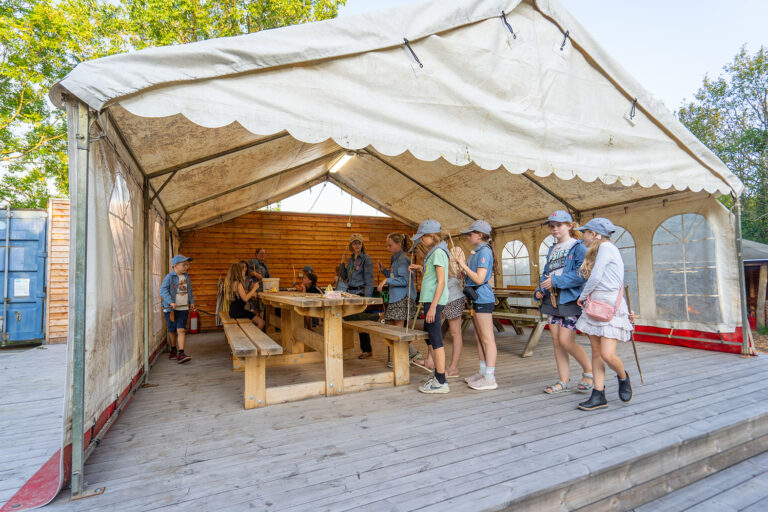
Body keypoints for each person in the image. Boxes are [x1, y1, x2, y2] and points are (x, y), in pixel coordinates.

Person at [573, 218, 634, 411]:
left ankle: (623, 376)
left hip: (607, 304)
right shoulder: (602, 250)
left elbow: (596, 276)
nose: (583, 235)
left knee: (607, 354)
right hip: (596, 303)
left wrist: (582, 297)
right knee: (597, 353)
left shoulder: (607, 248)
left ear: (595, 234)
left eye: (586, 232)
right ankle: (598, 394)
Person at [535, 210, 594, 395]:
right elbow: (547, 273)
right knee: (556, 341)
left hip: (569, 300)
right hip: (551, 299)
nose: (555, 229)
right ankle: (563, 380)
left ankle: (590, 372)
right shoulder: (552, 250)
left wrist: (556, 281)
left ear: (569, 225)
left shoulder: (578, 247)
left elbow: (581, 275)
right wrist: (540, 289)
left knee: (566, 341)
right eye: (552, 226)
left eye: (559, 225)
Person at [408, 220, 451, 394]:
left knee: (436, 340)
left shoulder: (439, 252)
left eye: (422, 238)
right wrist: (420, 267)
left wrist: (433, 306)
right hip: (430, 300)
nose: (420, 242)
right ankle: (437, 375)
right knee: (430, 335)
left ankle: (441, 380)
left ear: (431, 236)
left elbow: (441, 281)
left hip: (435, 302)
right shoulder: (435, 252)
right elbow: (433, 274)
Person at [458, 220, 499, 390]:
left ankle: (490, 377)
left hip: (482, 298)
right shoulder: (477, 252)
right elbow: (473, 275)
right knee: (479, 337)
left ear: (480, 235)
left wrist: (463, 266)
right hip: (476, 298)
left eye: (471, 233)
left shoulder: (484, 252)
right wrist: (464, 272)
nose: (468, 236)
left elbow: (480, 279)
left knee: (487, 338)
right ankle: (483, 371)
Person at [376, 233, 421, 363]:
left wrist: (386, 280)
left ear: (399, 245)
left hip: (402, 298)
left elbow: (404, 281)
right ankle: (411, 354)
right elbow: (394, 276)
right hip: (396, 297)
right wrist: (384, 270)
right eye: (387, 245)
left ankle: (400, 358)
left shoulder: (402, 259)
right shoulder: (395, 258)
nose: (387, 248)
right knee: (392, 327)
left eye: (390, 245)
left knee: (397, 329)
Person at [340, 234, 375, 358]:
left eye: (359, 243)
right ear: (351, 245)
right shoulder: (351, 259)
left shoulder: (366, 259)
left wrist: (368, 298)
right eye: (354, 243)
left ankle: (367, 350)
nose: (357, 245)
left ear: (362, 244)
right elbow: (344, 277)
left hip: (360, 293)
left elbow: (370, 280)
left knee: (361, 322)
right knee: (350, 320)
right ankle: (347, 347)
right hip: (350, 293)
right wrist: (342, 263)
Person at [160, 254, 195, 364]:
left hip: (183, 308)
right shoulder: (169, 277)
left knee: (181, 330)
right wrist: (171, 302)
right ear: (175, 266)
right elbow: (163, 290)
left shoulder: (187, 277)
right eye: (184, 265)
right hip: (171, 309)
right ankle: (173, 350)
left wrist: (191, 302)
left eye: (187, 265)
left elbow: (189, 291)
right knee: (172, 330)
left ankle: (181, 353)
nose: (186, 267)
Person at [444, 245, 467, 378]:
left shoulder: (446, 265)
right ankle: (451, 367)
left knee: (455, 333)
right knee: (454, 333)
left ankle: (453, 368)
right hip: (449, 299)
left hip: (453, 298)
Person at [222, 262, 266, 330]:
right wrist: (254, 288)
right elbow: (245, 298)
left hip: (233, 312)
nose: (244, 271)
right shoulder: (238, 284)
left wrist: (251, 291)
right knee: (262, 322)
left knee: (253, 315)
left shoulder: (233, 283)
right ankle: (252, 338)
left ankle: (251, 335)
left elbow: (242, 296)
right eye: (243, 270)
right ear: (238, 272)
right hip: (238, 312)